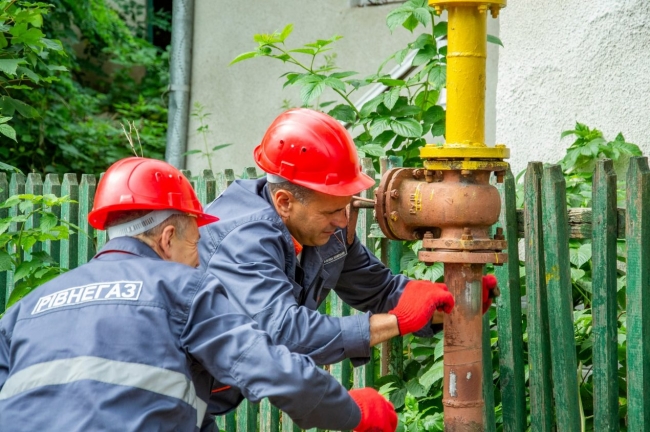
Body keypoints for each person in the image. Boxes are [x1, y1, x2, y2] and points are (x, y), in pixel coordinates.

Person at [0, 157, 397, 432]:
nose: (198, 261)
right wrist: (352, 411)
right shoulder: (182, 289)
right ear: (168, 237)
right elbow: (270, 367)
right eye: (196, 244)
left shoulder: (26, 308)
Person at [198, 108, 498, 367]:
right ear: (285, 202)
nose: (342, 221)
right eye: (331, 211)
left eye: (345, 206)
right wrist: (396, 322)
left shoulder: (322, 230)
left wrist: (447, 303)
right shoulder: (243, 240)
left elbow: (379, 291)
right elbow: (284, 333)